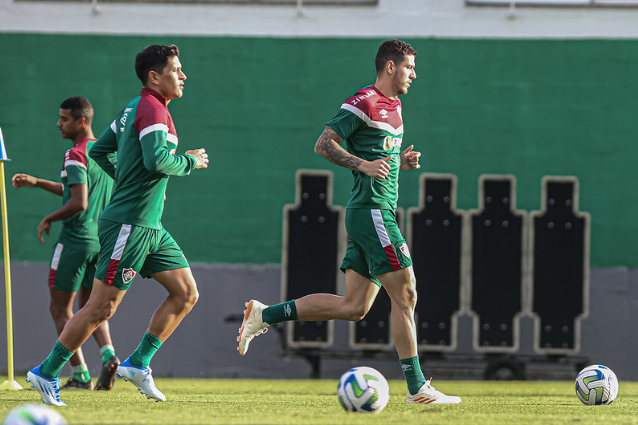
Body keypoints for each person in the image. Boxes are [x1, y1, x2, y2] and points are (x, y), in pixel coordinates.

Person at [238, 39, 461, 405]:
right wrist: (362, 164)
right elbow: (323, 144)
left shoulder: (396, 106)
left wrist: (398, 161)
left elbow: (376, 155)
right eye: (409, 67)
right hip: (372, 212)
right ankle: (418, 387)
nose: (413, 74)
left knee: (354, 307)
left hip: (370, 212)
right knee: (406, 294)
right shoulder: (363, 101)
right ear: (390, 67)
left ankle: (264, 315)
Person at [26, 44, 209, 406]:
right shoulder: (152, 108)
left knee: (186, 293)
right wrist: (188, 162)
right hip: (129, 224)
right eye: (176, 69)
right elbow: (157, 160)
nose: (183, 75)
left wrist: (130, 180)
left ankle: (138, 363)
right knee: (100, 308)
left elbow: (99, 151)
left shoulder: (133, 108)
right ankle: (45, 373)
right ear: (154, 77)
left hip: (150, 226)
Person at [13, 96, 120, 391]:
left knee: (61, 310)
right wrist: (38, 182)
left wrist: (49, 217)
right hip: (103, 242)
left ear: (80, 121)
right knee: (93, 306)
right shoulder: (104, 153)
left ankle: (81, 374)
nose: (58, 124)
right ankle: (109, 356)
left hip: (75, 240)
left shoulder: (74, 153)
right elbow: (76, 189)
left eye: (64, 119)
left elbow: (78, 201)